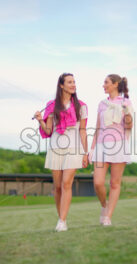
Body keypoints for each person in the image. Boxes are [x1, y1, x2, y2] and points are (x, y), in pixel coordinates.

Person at [34, 73, 89, 232]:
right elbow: (49, 130)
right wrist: (40, 120)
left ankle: (62, 221)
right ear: (61, 85)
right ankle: (61, 219)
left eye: (74, 82)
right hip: (55, 148)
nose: (73, 85)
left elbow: (83, 131)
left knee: (66, 184)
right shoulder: (51, 105)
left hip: (74, 148)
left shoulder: (81, 106)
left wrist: (85, 152)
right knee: (57, 187)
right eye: (70, 82)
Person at [89, 74, 133, 226]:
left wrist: (127, 113)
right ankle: (103, 205)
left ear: (115, 84)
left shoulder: (126, 101)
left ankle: (108, 217)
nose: (103, 85)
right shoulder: (102, 104)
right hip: (101, 146)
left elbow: (129, 126)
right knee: (98, 182)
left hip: (119, 145)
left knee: (115, 183)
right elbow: (98, 127)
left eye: (106, 82)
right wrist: (91, 149)